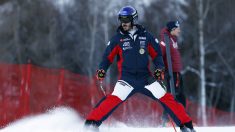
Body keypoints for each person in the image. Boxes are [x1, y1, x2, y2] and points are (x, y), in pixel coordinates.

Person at [84, 6, 195, 132]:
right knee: (111, 100)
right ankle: (91, 124)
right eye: (121, 20)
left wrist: (159, 69)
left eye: (127, 19)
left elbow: (157, 55)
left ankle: (186, 125)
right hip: (127, 80)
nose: (123, 23)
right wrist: (102, 70)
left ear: (134, 20)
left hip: (146, 79)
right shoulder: (117, 39)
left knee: (167, 98)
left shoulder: (147, 37)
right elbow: (107, 57)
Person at [159, 21, 188, 125]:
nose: (179, 30)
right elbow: (158, 56)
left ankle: (184, 119)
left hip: (176, 72)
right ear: (172, 30)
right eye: (177, 28)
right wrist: (162, 70)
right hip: (171, 73)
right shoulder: (165, 40)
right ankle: (166, 120)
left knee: (181, 96)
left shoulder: (173, 39)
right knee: (173, 96)